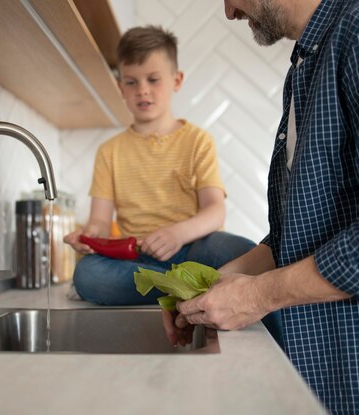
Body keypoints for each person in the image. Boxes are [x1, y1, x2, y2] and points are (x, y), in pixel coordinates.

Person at [165, 0, 359, 413]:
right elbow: (300, 238)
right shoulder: (310, 63)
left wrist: (257, 297)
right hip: (336, 376)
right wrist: (209, 288)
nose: (229, 12)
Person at [64, 26, 256, 306]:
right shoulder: (109, 152)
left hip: (195, 247)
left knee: (242, 252)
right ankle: (194, 287)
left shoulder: (198, 141)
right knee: (88, 274)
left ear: (176, 80)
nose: (142, 90)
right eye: (131, 82)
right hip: (137, 256)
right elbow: (100, 222)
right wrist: (90, 236)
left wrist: (177, 234)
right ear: (120, 88)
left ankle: (174, 283)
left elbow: (215, 210)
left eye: (153, 79)